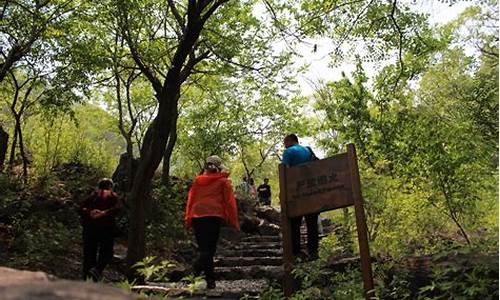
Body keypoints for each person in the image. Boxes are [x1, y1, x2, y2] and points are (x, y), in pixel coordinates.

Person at [185, 155, 240, 289]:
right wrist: (233, 221)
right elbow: (230, 203)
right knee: (210, 249)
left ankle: (200, 276)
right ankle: (207, 278)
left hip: (197, 216)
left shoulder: (197, 181)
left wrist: (188, 218)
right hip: (213, 216)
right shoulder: (224, 182)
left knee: (204, 249)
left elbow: (191, 199)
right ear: (219, 167)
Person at [281, 133, 319, 260]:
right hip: (312, 192)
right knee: (312, 223)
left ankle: (296, 253)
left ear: (290, 141)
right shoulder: (308, 150)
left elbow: (285, 172)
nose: (284, 145)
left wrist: (283, 193)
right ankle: (313, 252)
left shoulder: (288, 152)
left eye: (284, 142)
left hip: (296, 194)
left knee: (294, 224)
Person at [79, 178, 122, 281]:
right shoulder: (108, 196)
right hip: (100, 229)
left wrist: (96, 213)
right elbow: (118, 208)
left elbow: (81, 207)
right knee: (101, 253)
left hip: (97, 229)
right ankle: (93, 273)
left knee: (94, 253)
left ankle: (91, 275)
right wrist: (98, 213)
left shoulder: (95, 196)